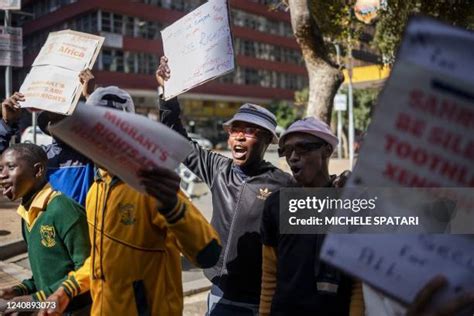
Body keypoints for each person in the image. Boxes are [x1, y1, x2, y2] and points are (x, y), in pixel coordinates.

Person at [156, 57, 349, 314]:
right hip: (219, 294)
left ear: (268, 140)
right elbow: (175, 139)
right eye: (234, 130)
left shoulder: (285, 184)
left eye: (249, 131)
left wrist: (339, 188)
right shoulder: (218, 169)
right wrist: (166, 93)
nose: (238, 136)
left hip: (261, 302)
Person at [39, 86, 222, 316]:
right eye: (95, 131)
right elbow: (98, 260)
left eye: (111, 130)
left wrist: (173, 208)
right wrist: (65, 290)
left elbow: (208, 254)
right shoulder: (95, 190)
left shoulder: (151, 188)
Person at [259, 117, 364, 315]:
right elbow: (270, 273)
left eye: (302, 148)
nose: (293, 157)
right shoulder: (276, 204)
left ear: (327, 150)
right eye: (287, 151)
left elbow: (358, 279)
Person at [0, 143, 91, 314]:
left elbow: (88, 270)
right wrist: (18, 290)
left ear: (38, 170)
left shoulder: (63, 209)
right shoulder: (27, 214)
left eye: (10, 167)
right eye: (0, 168)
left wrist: (33, 300)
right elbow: (45, 276)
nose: (2, 175)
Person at [0, 70, 97, 205]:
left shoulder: (90, 158)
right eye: (51, 119)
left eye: (62, 117)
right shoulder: (39, 156)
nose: (57, 124)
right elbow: (5, 162)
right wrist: (6, 124)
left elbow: (109, 146)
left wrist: (91, 98)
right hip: (38, 225)